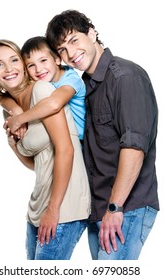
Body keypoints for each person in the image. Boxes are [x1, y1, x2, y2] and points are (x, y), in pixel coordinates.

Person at [45, 9, 160, 260]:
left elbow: (134, 147)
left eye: (74, 40)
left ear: (92, 32)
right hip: (99, 210)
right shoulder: (83, 86)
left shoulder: (125, 77)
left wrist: (115, 206)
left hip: (125, 208)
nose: (70, 53)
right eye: (62, 49)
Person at [0, 39, 91, 260]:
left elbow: (66, 150)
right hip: (38, 206)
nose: (9, 68)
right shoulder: (11, 111)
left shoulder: (42, 90)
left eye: (13, 60)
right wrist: (13, 145)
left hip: (64, 206)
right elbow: (37, 164)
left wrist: (53, 209)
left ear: (22, 64)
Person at [0, 36, 86, 143]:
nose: (39, 69)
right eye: (31, 65)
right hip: (63, 138)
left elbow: (54, 104)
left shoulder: (71, 79)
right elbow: (3, 96)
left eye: (43, 60)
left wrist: (19, 119)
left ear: (57, 59)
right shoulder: (40, 83)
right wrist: (16, 109)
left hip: (85, 141)